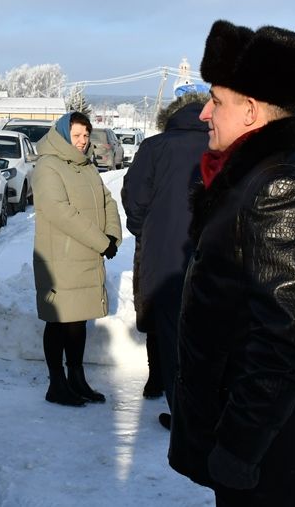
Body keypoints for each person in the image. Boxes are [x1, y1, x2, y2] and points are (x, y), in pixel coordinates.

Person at [167, 21, 295, 506]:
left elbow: (284, 341)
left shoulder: (281, 185)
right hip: (260, 444)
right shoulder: (260, 172)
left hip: (271, 455)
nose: (205, 112)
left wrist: (238, 449)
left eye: (216, 100)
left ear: (249, 110)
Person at [120, 89, 210, 428]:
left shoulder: (155, 147)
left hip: (166, 255)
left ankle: (183, 415)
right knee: (206, 334)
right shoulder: (222, 148)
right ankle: (207, 411)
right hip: (213, 255)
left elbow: (134, 196)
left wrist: (146, 230)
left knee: (171, 332)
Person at [31, 111, 122, 407]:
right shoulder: (48, 166)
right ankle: (56, 383)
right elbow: (58, 210)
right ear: (62, 136)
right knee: (59, 321)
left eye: (85, 136)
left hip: (86, 256)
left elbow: (107, 200)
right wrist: (100, 241)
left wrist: (111, 236)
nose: (82, 142)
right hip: (61, 258)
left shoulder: (85, 166)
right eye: (76, 136)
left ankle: (77, 378)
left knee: (77, 321)